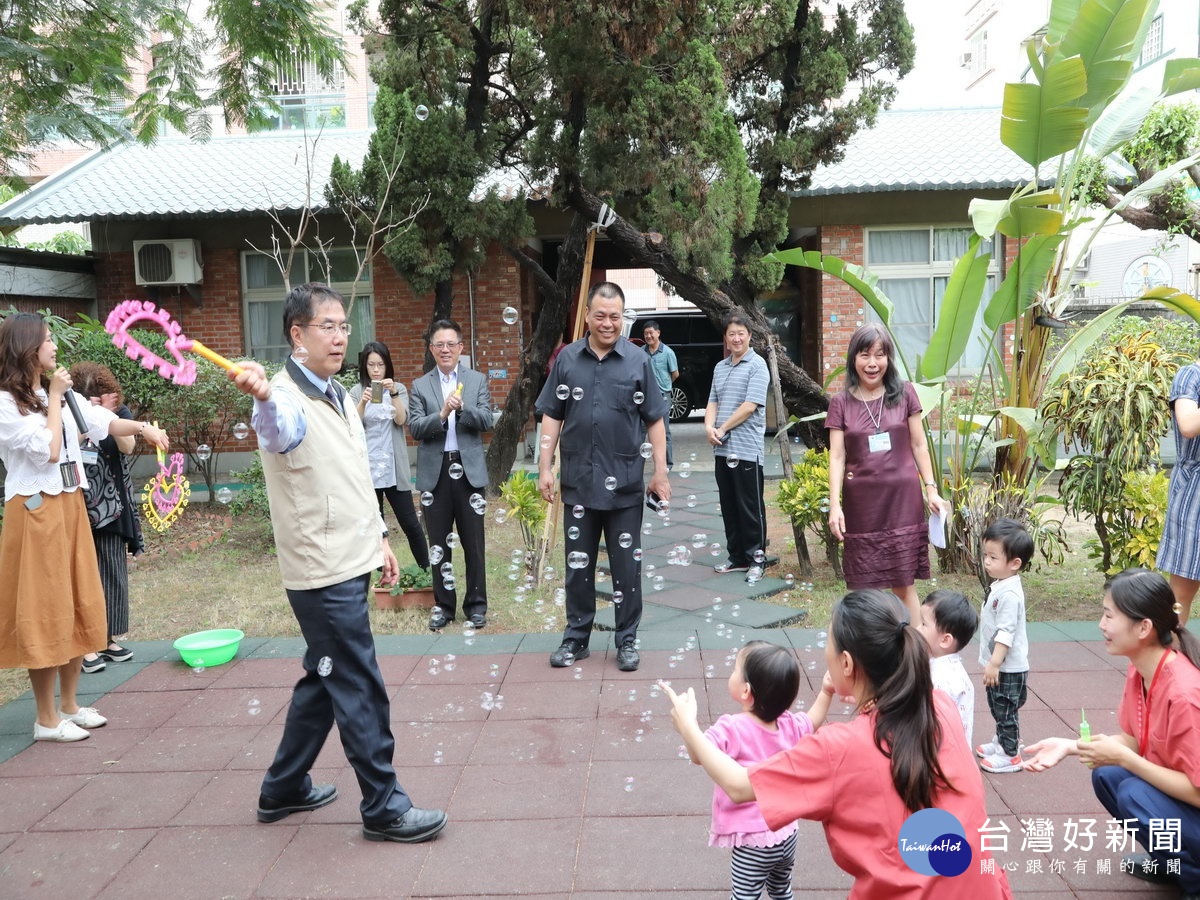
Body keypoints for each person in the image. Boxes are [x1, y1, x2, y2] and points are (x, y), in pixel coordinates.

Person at [227, 282, 446, 844]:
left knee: (324, 679)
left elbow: (352, 480)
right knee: (357, 681)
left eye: (344, 325)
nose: (341, 335)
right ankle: (384, 806)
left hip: (350, 558)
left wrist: (380, 538)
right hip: (320, 570)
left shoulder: (341, 394)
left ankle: (282, 787)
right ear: (296, 335)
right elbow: (278, 432)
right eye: (328, 325)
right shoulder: (285, 398)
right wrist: (262, 398)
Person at [662, 589, 1011, 899]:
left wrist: (688, 727)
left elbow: (739, 786)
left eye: (827, 644)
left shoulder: (839, 748)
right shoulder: (938, 703)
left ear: (846, 663)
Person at [0, 312, 168, 742]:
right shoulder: (6, 403)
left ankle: (71, 705)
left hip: (73, 506)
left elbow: (104, 425)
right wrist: (55, 396)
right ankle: (45, 719)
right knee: (44, 610)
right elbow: (49, 450)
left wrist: (146, 429)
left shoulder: (55, 395)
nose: (55, 345)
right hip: (36, 512)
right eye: (47, 338)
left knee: (79, 601)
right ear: (26, 348)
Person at [1023, 568, 1200, 896]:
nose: (1101, 625)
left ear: (1144, 627)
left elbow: (1197, 792)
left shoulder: (1185, 693)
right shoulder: (1142, 668)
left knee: (1132, 789)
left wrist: (1126, 759)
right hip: (1186, 804)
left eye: (1109, 616)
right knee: (1108, 774)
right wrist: (1071, 746)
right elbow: (1136, 740)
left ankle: (1195, 879)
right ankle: (1170, 860)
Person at [536, 281, 671, 672]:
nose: (608, 323)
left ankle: (626, 639)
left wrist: (660, 472)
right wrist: (544, 466)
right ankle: (576, 638)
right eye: (600, 316)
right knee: (578, 567)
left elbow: (655, 420)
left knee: (626, 568)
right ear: (588, 317)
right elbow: (551, 414)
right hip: (578, 481)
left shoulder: (637, 361)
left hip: (626, 481)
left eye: (615, 316)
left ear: (622, 317)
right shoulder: (567, 359)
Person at [827, 323, 949, 623]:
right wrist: (834, 504)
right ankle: (868, 653)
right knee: (861, 588)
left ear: (888, 359)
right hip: (862, 505)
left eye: (880, 355)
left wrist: (931, 488)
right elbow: (838, 456)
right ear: (853, 359)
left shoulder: (905, 393)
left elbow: (919, 444)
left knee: (903, 582)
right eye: (865, 354)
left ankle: (916, 654)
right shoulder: (840, 403)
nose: (872, 363)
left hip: (902, 501)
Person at [690, 641, 831, 900]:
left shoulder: (732, 728)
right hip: (787, 834)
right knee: (781, 890)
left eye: (735, 669)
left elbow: (699, 755)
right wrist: (825, 692)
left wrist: (688, 726)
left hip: (752, 842)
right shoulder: (789, 724)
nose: (731, 673)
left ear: (745, 691)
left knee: (744, 896)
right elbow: (813, 719)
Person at [408, 319, 491, 631]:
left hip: (468, 471)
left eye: (450, 344)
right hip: (435, 473)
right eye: (438, 344)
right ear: (432, 349)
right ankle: (444, 606)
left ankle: (477, 606)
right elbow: (415, 427)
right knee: (438, 545)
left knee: (473, 543)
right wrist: (442, 414)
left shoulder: (477, 380)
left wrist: (462, 409)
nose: (445, 349)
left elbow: (486, 419)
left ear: (460, 347)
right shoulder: (420, 386)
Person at [69, 362, 145, 674]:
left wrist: (109, 415)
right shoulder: (69, 410)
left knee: (113, 570)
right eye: (91, 396)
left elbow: (127, 446)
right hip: (81, 499)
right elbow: (69, 443)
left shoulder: (120, 411)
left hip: (114, 501)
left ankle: (107, 638)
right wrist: (85, 414)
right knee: (84, 574)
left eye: (101, 395)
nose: (97, 400)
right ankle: (86, 644)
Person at [349, 342, 429, 571]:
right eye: (371, 365)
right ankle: (382, 576)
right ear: (365, 366)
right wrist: (364, 401)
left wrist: (393, 393)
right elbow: (354, 425)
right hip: (368, 469)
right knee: (375, 527)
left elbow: (401, 419)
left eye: (380, 365)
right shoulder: (356, 391)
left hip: (393, 469)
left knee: (411, 524)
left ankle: (426, 571)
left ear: (387, 366)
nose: (376, 370)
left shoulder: (399, 389)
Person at [706, 312, 770, 583]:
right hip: (722, 449)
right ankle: (736, 557)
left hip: (747, 449)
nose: (736, 338)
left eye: (740, 333)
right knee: (729, 505)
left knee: (750, 506)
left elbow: (749, 406)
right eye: (731, 333)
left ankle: (757, 559)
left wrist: (722, 428)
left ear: (749, 336)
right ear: (726, 337)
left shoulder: (757, 365)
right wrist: (709, 427)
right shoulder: (720, 367)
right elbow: (713, 401)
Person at [975, 518, 1032, 774]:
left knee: (1005, 709)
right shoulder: (1003, 584)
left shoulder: (1009, 595)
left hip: (1006, 667)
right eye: (985, 555)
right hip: (1002, 666)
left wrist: (994, 663)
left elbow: (1006, 633)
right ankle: (1002, 741)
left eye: (993, 557)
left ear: (1014, 563)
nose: (986, 561)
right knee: (1000, 708)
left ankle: (1010, 755)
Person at [1155, 357, 1200, 626]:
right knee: (1180, 597)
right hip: (1194, 493)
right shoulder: (1190, 375)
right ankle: (1169, 662)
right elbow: (1188, 425)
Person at [916, 588, 978, 746]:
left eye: (923, 624)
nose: (917, 628)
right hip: (953, 757)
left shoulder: (942, 681)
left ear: (945, 640)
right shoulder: (941, 667)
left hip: (942, 760)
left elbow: (932, 727)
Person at [642, 321, 678, 468]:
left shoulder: (668, 352)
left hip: (663, 395)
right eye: (646, 334)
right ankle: (639, 463)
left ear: (658, 333)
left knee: (664, 429)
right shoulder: (641, 352)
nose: (649, 336)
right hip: (645, 396)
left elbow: (675, 374)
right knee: (641, 430)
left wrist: (665, 385)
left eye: (651, 332)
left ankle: (667, 464)